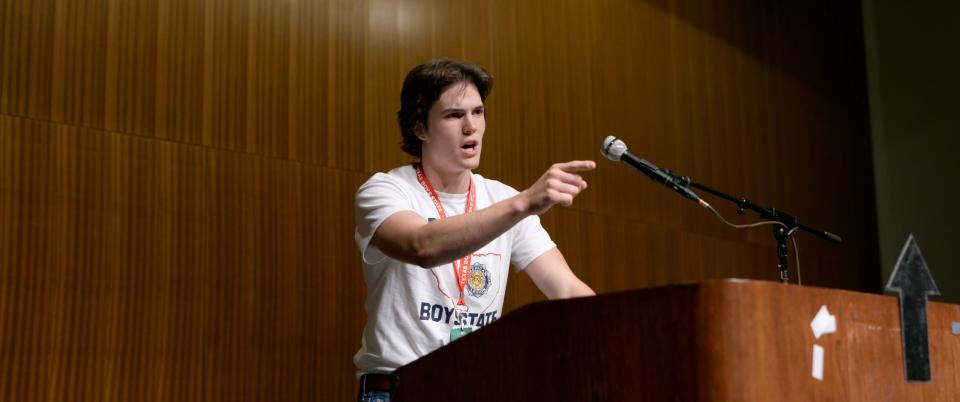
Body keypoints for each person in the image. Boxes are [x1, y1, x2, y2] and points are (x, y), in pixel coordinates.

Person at [353, 58, 595, 402]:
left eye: (478, 112)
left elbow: (567, 289)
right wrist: (523, 204)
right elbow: (421, 245)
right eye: (454, 115)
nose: (471, 127)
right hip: (398, 386)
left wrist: (622, 334)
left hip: (474, 383)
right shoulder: (385, 191)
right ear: (420, 128)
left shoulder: (502, 198)